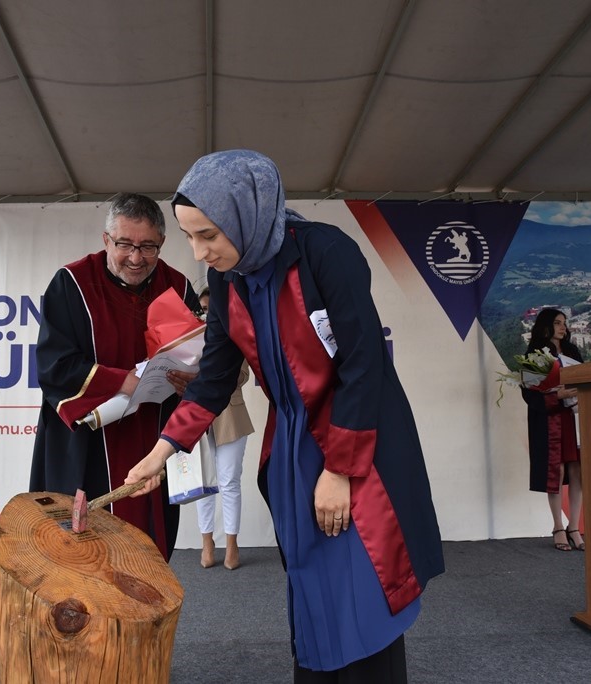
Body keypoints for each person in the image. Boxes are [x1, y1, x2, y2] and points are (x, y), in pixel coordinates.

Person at [125, 150, 444, 681]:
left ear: (249, 214)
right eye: (190, 237)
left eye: (209, 235)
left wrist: (341, 469)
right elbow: (214, 378)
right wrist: (160, 454)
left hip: (356, 434)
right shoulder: (230, 281)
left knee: (363, 582)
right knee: (311, 581)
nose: (200, 252)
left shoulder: (325, 252)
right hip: (295, 446)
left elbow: (364, 363)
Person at [29, 192, 200, 561]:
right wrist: (121, 381)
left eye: (148, 247)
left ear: (163, 243)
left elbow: (197, 360)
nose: (136, 258)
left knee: (148, 553)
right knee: (84, 558)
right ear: (107, 239)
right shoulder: (72, 284)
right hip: (88, 444)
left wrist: (190, 382)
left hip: (151, 439)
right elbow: (53, 366)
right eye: (125, 244)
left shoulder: (179, 287)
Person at [195, 286, 254, 570]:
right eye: (203, 310)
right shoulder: (187, 340)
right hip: (196, 417)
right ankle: (207, 544)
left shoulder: (235, 336)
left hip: (231, 415)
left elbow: (242, 375)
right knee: (203, 484)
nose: (207, 315)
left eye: (211, 309)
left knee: (229, 482)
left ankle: (232, 545)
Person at [521, 308, 585, 552]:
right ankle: (558, 526)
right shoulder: (535, 353)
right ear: (545, 325)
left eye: (564, 323)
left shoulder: (572, 351)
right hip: (549, 420)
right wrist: (557, 395)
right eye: (558, 323)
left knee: (577, 470)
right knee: (555, 471)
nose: (563, 328)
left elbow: (585, 376)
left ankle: (574, 526)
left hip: (574, 417)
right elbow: (529, 392)